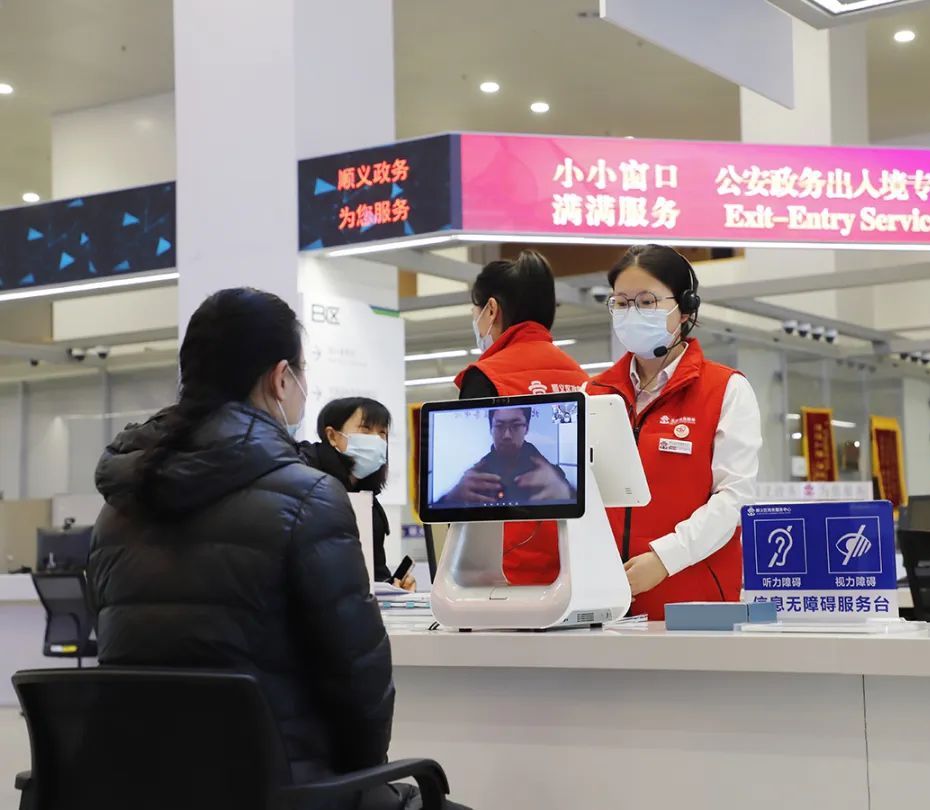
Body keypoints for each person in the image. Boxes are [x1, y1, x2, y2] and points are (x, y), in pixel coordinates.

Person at [88, 288, 461, 810]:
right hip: (281, 788)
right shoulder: (310, 498)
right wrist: (362, 778)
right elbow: (359, 685)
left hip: (140, 789)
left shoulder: (116, 511)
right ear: (280, 377)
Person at [588, 245, 762, 621]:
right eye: (621, 303)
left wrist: (666, 558)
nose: (632, 313)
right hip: (605, 603)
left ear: (685, 308)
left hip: (694, 601)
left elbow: (734, 498)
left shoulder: (725, 389)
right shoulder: (594, 393)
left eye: (646, 302)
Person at [455, 250, 588, 585]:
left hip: (505, 562)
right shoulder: (581, 377)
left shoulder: (485, 376)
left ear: (491, 310)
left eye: (475, 311)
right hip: (574, 556)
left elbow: (469, 487)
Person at [300, 396, 415, 591]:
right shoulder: (304, 483)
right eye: (365, 429)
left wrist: (393, 587)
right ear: (332, 436)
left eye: (382, 433)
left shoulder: (369, 501)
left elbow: (373, 572)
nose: (377, 440)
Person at [438, 406, 573, 507]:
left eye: (516, 426)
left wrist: (566, 494)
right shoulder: (476, 476)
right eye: (499, 426)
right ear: (491, 429)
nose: (507, 435)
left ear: (526, 428)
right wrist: (451, 499)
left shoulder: (549, 474)